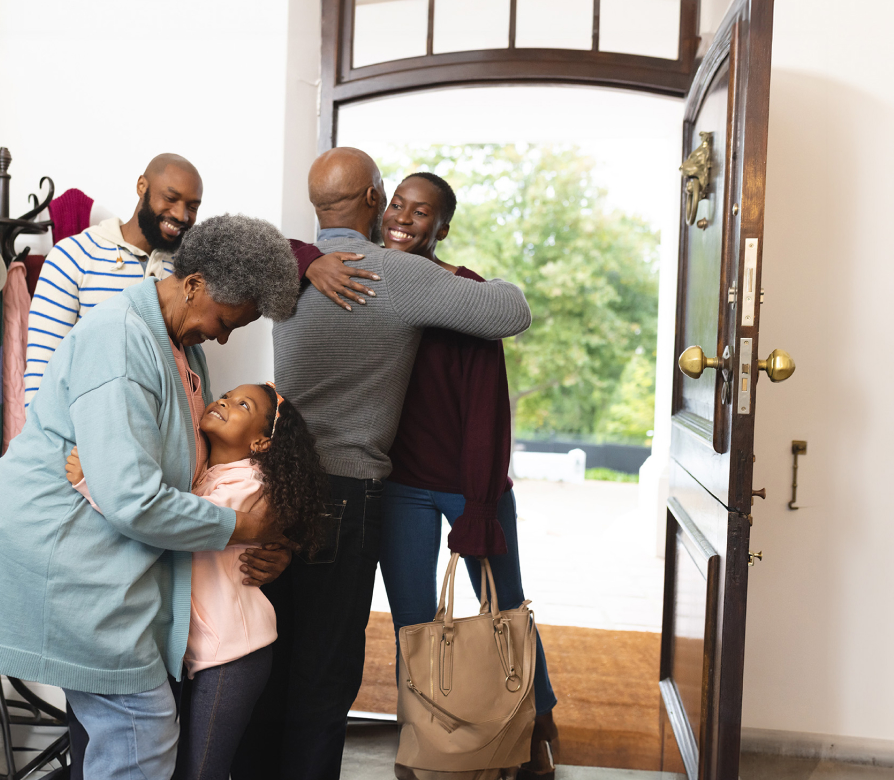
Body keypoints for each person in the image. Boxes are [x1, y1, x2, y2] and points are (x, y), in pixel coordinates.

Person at [0, 215, 301, 780]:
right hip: (56, 555)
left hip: (103, 557)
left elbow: (185, 477)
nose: (226, 336)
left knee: (127, 728)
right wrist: (242, 529)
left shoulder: (182, 347)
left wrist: (266, 538)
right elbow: (135, 500)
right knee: (141, 727)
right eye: (229, 321)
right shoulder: (119, 341)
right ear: (194, 284)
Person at [234, 148, 532, 779]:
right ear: (374, 197)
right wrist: (460, 276)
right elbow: (512, 311)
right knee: (327, 666)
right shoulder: (396, 274)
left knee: (266, 648)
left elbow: (219, 264)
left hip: (268, 483)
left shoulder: (283, 268)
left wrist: (305, 258)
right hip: (347, 491)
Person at [358, 172, 563, 777]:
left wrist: (478, 501)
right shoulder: (364, 281)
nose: (403, 217)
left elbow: (486, 408)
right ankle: (423, 736)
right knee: (414, 623)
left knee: (505, 609)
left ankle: (535, 723)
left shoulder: (463, 294)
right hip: (401, 486)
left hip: (472, 484)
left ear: (441, 228)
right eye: (397, 204)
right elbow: (296, 253)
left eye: (421, 212)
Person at [66, 383, 327, 780]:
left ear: (260, 442)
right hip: (197, 649)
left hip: (234, 654)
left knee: (201, 772)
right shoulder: (206, 473)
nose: (223, 401)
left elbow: (176, 524)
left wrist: (92, 484)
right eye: (225, 394)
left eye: (243, 405)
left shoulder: (251, 486)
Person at [24, 153, 202, 408]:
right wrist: (51, 445)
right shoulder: (73, 255)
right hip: (81, 437)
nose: (182, 215)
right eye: (171, 198)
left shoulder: (186, 273)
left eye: (193, 207)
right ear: (142, 186)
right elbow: (42, 370)